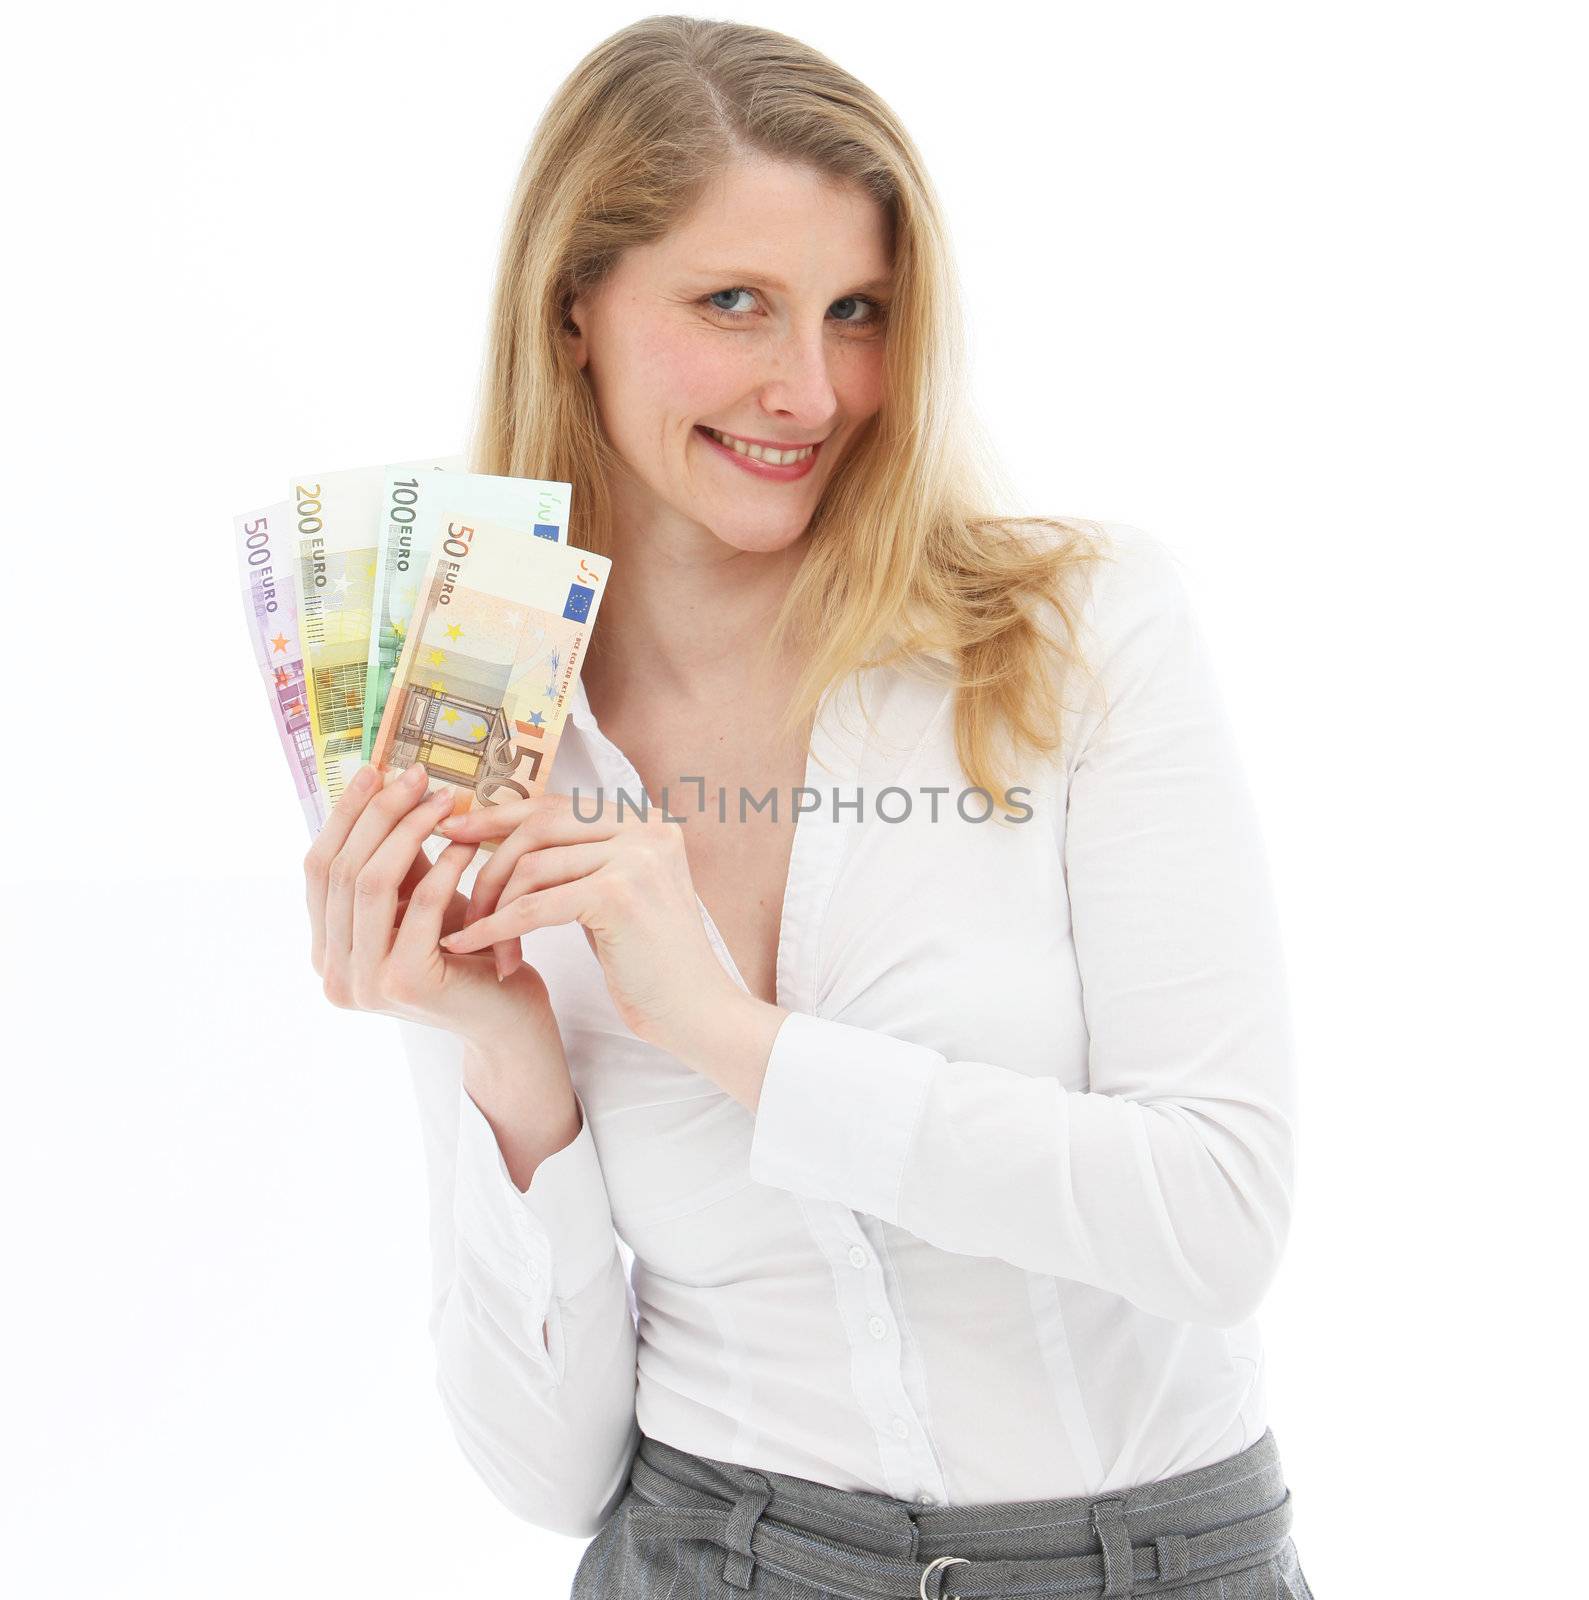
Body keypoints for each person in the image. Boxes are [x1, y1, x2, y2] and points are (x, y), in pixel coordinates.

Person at [302, 16, 1314, 1600]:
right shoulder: (479, 712)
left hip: (1146, 1564)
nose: (811, 388)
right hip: (706, 1557)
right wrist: (504, 1066)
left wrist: (725, 1032)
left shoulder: (1072, 632)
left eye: (859, 313)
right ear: (574, 308)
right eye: (733, 305)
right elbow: (544, 1470)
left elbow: (1217, 1221)